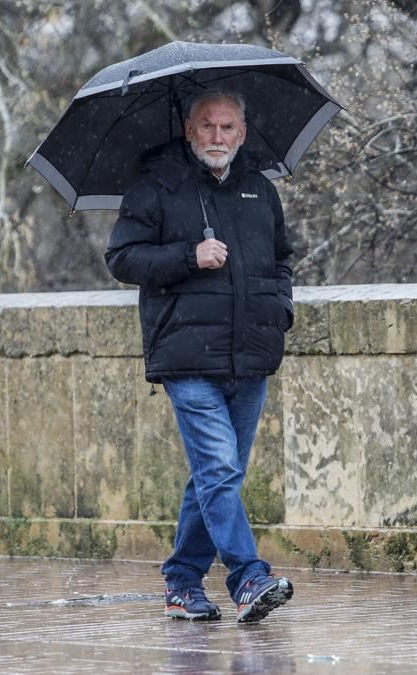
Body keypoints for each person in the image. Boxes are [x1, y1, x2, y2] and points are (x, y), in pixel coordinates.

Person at [105, 90, 296, 624]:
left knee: (216, 476)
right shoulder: (156, 186)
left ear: (243, 132)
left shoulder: (259, 189)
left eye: (227, 127)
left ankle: (182, 582)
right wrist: (188, 256)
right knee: (219, 468)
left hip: (250, 355)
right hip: (186, 354)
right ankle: (248, 577)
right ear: (188, 129)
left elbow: (282, 258)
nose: (217, 136)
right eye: (207, 126)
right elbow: (121, 258)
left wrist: (280, 309)